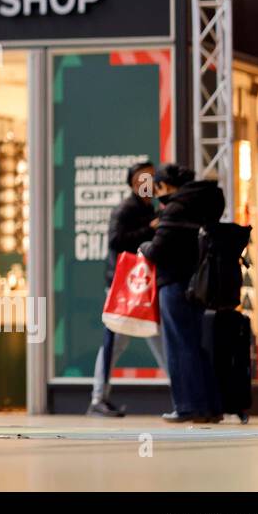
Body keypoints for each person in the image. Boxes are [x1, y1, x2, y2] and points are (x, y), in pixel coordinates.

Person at [139, 163, 224, 423]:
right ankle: (209, 407)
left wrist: (144, 245)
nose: (157, 194)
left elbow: (158, 250)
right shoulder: (204, 203)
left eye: (158, 188)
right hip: (197, 284)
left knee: (178, 346)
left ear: (166, 186)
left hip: (174, 283)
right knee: (195, 346)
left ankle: (187, 406)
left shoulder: (177, 207)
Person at [89, 160, 168, 417]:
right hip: (122, 285)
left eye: (152, 179)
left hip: (141, 284)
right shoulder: (126, 209)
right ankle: (98, 398)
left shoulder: (150, 208)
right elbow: (116, 241)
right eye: (143, 180)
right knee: (115, 340)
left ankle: (180, 391)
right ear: (134, 184)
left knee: (156, 336)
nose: (149, 185)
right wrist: (149, 230)